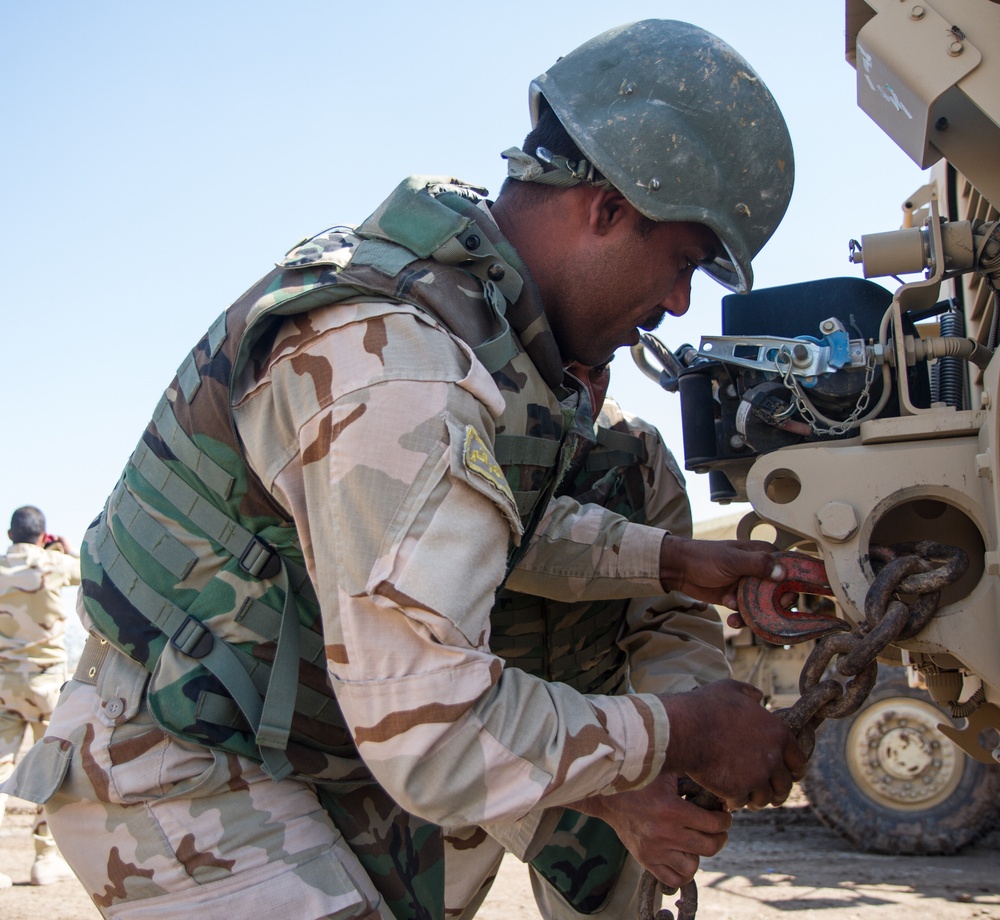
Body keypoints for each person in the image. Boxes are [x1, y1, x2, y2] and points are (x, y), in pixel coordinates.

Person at [3, 19, 805, 919]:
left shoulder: (471, 326)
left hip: (312, 734)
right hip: (186, 757)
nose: (678, 303)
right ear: (608, 209)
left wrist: (675, 563)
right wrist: (687, 732)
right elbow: (437, 733)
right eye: (684, 261)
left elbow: (480, 529)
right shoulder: (400, 366)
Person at [483, 359, 735, 919]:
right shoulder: (462, 430)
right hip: (458, 738)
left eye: (598, 369)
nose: (583, 389)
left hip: (601, 742)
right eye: (562, 366)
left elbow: (672, 621)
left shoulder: (638, 456)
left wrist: (679, 744)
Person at [0, 505, 79, 888]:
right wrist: (65, 551)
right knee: (51, 772)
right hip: (48, 685)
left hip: (3, 686)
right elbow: (90, 572)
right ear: (42, 535)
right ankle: (45, 860)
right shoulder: (54, 563)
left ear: (11, 535)